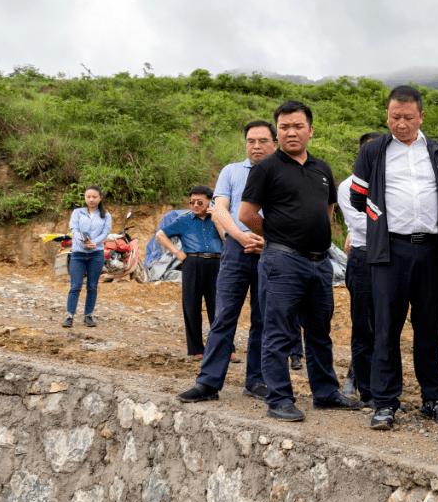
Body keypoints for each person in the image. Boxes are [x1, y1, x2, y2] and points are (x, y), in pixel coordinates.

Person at [240, 100, 362, 421]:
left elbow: (328, 212)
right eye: (284, 127)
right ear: (276, 133)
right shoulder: (266, 168)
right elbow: (247, 214)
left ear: (310, 130)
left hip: (321, 264)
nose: (291, 132)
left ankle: (325, 393)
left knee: (320, 331)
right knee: (278, 332)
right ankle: (279, 399)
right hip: (283, 261)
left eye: (298, 126)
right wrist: (280, 234)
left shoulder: (322, 169)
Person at [351, 86, 438, 430]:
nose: (401, 124)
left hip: (432, 250)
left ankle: (433, 399)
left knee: (428, 326)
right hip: (389, 251)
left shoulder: (437, 151)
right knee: (386, 327)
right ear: (387, 116)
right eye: (395, 117)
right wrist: (382, 219)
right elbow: (357, 197)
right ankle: (385, 402)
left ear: (421, 117)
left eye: (409, 117)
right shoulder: (374, 151)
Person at [177, 121, 275, 403]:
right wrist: (241, 237)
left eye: (262, 140)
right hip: (235, 250)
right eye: (250, 140)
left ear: (275, 143)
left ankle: (256, 380)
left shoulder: (284, 171)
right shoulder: (231, 171)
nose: (256, 146)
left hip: (270, 251)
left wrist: (266, 242)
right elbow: (219, 208)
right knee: (223, 316)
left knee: (263, 320)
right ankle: (208, 383)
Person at [337, 131, 382, 408]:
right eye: (369, 152)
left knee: (386, 327)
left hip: (390, 260)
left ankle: (383, 386)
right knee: (364, 328)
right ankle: (367, 391)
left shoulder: (393, 183)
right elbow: (364, 224)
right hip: (364, 257)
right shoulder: (348, 187)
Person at [155, 185, 222, 359]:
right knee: (191, 306)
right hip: (192, 262)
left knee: (219, 307)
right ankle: (196, 350)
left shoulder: (219, 218)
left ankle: (224, 348)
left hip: (217, 263)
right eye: (192, 202)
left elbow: (228, 237)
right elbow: (160, 235)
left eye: (200, 202)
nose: (195, 205)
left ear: (210, 201)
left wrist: (218, 220)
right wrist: (177, 253)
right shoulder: (183, 220)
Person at [63, 185, 112, 328]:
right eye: (88, 197)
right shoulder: (77, 212)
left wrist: (95, 243)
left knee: (92, 286)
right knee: (75, 286)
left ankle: (88, 315)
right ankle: (69, 316)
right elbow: (74, 229)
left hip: (96, 254)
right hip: (78, 253)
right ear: (85, 198)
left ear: (100, 198)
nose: (91, 199)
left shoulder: (106, 215)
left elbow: (105, 232)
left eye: (94, 197)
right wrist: (83, 242)